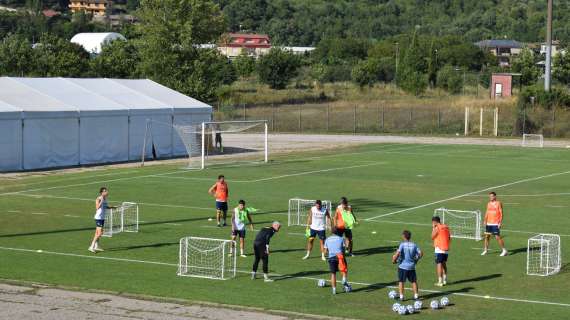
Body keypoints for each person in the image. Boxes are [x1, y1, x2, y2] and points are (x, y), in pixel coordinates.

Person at [392, 230, 423, 301]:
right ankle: (416, 296)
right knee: (414, 281)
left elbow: (397, 254)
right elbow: (421, 253)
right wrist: (416, 260)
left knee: (401, 281)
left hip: (402, 266)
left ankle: (401, 297)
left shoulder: (402, 245)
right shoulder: (414, 245)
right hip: (411, 267)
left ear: (403, 236)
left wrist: (394, 260)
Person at [88, 187, 116, 253]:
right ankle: (91, 247)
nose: (107, 192)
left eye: (106, 191)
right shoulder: (98, 199)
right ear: (102, 192)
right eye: (105, 191)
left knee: (97, 233)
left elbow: (105, 206)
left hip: (102, 218)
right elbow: (97, 207)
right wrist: (101, 201)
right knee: (100, 233)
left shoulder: (105, 199)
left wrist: (112, 207)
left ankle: (96, 246)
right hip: (98, 218)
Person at [324, 227, 350, 295]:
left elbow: (325, 252)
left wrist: (327, 254)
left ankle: (334, 290)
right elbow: (343, 249)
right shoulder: (341, 239)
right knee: (344, 269)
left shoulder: (327, 239)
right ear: (337, 232)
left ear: (331, 232)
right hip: (340, 257)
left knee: (333, 274)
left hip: (331, 257)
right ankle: (344, 279)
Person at [482, 191, 508, 256]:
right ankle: (485, 250)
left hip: (495, 223)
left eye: (492, 196)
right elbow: (487, 212)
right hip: (488, 223)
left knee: (497, 237)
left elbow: (501, 213)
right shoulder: (488, 204)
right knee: (487, 236)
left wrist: (500, 222)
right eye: (490, 196)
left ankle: (504, 250)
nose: (490, 197)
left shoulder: (498, 203)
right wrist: (485, 220)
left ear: (495, 196)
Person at [431, 216, 451, 287]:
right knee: (444, 264)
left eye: (433, 222)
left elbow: (432, 236)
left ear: (435, 222)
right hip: (446, 249)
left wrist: (433, 228)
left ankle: (440, 281)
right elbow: (449, 237)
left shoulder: (437, 228)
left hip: (439, 248)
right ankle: (445, 280)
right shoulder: (446, 227)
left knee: (439, 264)